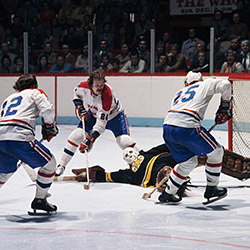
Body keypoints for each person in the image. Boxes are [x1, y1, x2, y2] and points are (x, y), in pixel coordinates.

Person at [159, 71, 232, 204]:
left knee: (188, 163)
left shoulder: (179, 92)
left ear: (186, 83)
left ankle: (168, 193)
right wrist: (225, 107)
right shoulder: (204, 84)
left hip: (167, 128)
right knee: (217, 152)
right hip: (187, 127)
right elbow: (226, 84)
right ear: (200, 79)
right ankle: (212, 188)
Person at [55, 69, 140, 176]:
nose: (100, 88)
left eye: (102, 85)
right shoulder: (83, 86)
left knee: (124, 141)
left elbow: (101, 125)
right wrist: (79, 107)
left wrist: (90, 139)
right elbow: (76, 94)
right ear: (91, 85)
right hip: (94, 114)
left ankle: (143, 160)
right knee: (75, 136)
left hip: (114, 117)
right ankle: (61, 165)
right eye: (97, 85)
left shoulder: (107, 95)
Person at [0, 74, 58, 213]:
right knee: (50, 164)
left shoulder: (9, 98)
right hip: (20, 137)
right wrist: (49, 127)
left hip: (1, 137)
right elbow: (47, 110)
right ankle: (40, 199)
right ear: (34, 85)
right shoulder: (35, 92)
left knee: (4, 173)